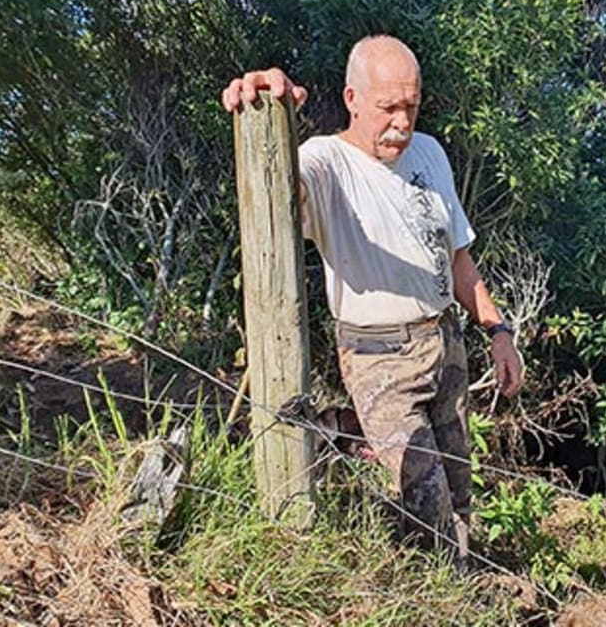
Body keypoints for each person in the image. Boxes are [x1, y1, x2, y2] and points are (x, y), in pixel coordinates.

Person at [221, 35, 523, 560]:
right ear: (352, 99)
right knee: (422, 495)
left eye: (411, 106)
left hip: (445, 342)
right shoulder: (325, 162)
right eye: (388, 108)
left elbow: (456, 258)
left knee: (459, 487)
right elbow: (281, 195)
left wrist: (498, 332)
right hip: (378, 354)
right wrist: (268, 115)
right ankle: (433, 591)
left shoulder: (428, 152)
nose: (401, 123)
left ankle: (464, 585)